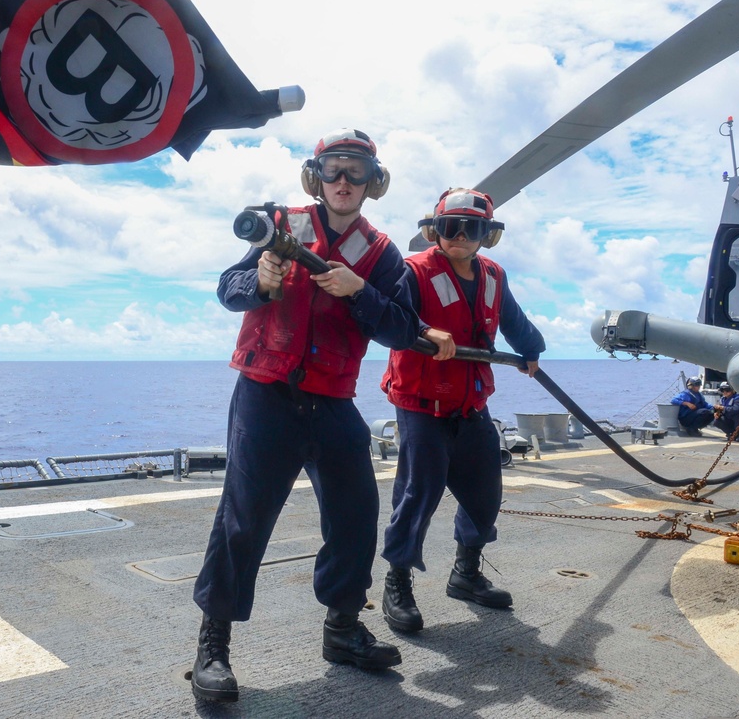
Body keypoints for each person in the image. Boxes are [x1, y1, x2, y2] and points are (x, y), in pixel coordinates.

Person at [190, 129, 421, 702]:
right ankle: (212, 646)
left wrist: (359, 291)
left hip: (333, 401)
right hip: (266, 394)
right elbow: (228, 288)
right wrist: (261, 282)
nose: (344, 182)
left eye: (356, 171)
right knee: (242, 520)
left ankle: (342, 629)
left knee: (354, 515)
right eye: (333, 170)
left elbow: (402, 329)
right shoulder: (283, 225)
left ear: (373, 181)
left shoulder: (383, 253)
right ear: (316, 177)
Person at [377, 188, 545, 633]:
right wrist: (426, 330)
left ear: (486, 235)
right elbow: (390, 321)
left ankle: (465, 574)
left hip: (471, 404)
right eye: (451, 227)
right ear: (435, 229)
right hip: (421, 406)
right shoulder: (411, 272)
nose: (460, 237)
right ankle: (397, 582)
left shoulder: (493, 275)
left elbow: (512, 319)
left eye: (471, 229)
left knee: (485, 493)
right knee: (419, 495)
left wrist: (530, 349)